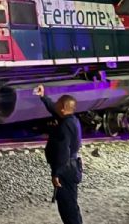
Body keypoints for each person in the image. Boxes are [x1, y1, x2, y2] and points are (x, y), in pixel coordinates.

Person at [34, 84, 83, 224]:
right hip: (71, 167)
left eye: (57, 103)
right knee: (70, 205)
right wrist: (43, 97)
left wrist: (56, 173)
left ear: (62, 108)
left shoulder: (65, 125)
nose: (54, 105)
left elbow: (63, 151)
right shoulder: (71, 119)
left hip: (66, 169)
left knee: (68, 208)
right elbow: (54, 110)